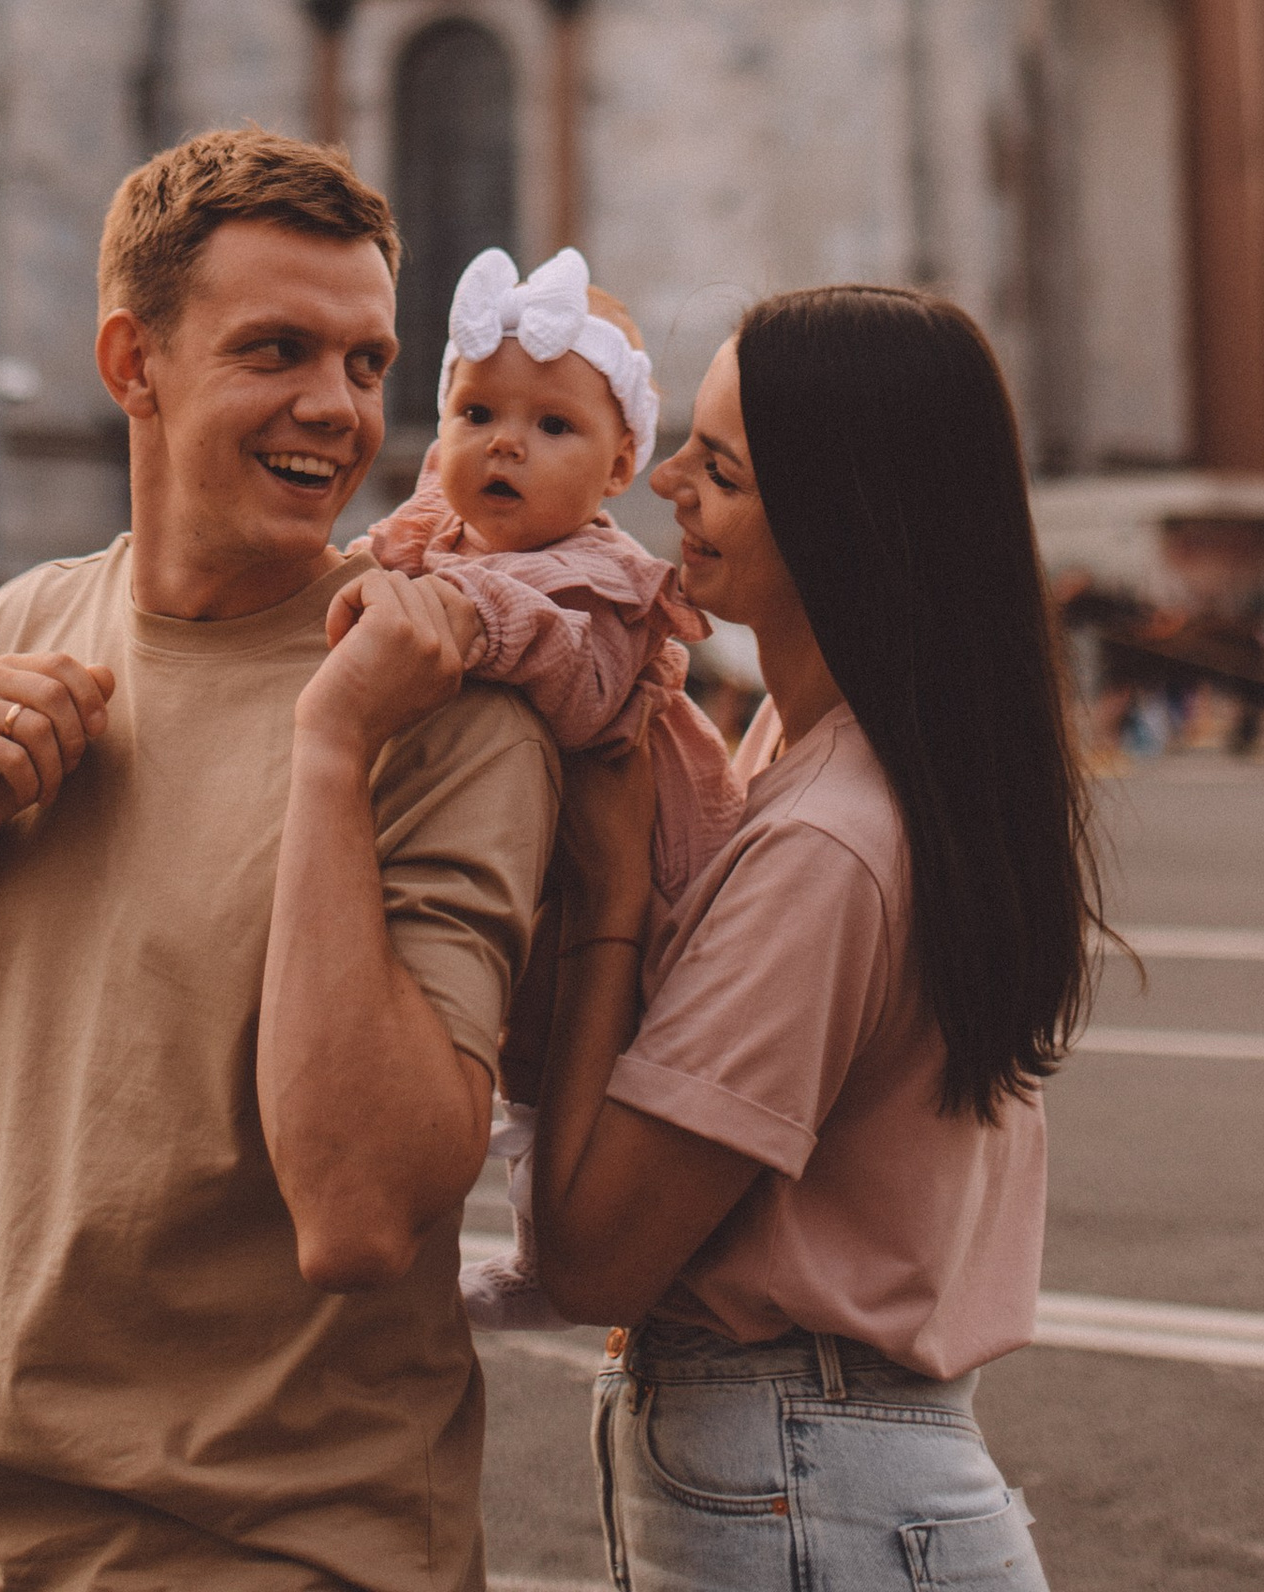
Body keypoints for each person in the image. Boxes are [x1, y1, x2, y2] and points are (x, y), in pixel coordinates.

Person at [0, 127, 559, 1592]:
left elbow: (367, 1210)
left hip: (304, 1553)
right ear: (132, 365)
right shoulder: (17, 635)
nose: (335, 411)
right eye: (276, 350)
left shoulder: (439, 700)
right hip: (18, 1542)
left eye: (365, 363)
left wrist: (330, 750)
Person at [530, 285, 1105, 1591]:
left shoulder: (828, 840)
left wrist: (612, 898)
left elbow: (593, 1253)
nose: (664, 474)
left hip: (809, 1483)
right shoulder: (825, 752)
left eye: (719, 468)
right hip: (832, 1476)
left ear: (843, 519)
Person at [346, 242, 739, 1327]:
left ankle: (550, 1244)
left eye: (552, 426)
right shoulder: (447, 531)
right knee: (503, 1040)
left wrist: (475, 618)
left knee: (578, 1058)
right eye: (475, 414)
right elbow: (390, 551)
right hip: (528, 866)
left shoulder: (605, 579)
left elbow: (583, 679)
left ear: (619, 468)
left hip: (630, 881)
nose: (504, 442)